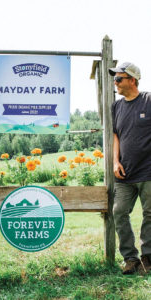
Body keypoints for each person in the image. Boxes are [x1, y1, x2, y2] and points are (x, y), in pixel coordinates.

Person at [109, 62, 151, 275]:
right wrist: (116, 162)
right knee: (119, 212)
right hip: (124, 173)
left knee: (150, 214)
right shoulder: (117, 106)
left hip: (148, 172)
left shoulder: (148, 100)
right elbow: (116, 135)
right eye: (114, 79)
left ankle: (147, 258)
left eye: (118, 79)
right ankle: (130, 258)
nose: (115, 82)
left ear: (132, 80)